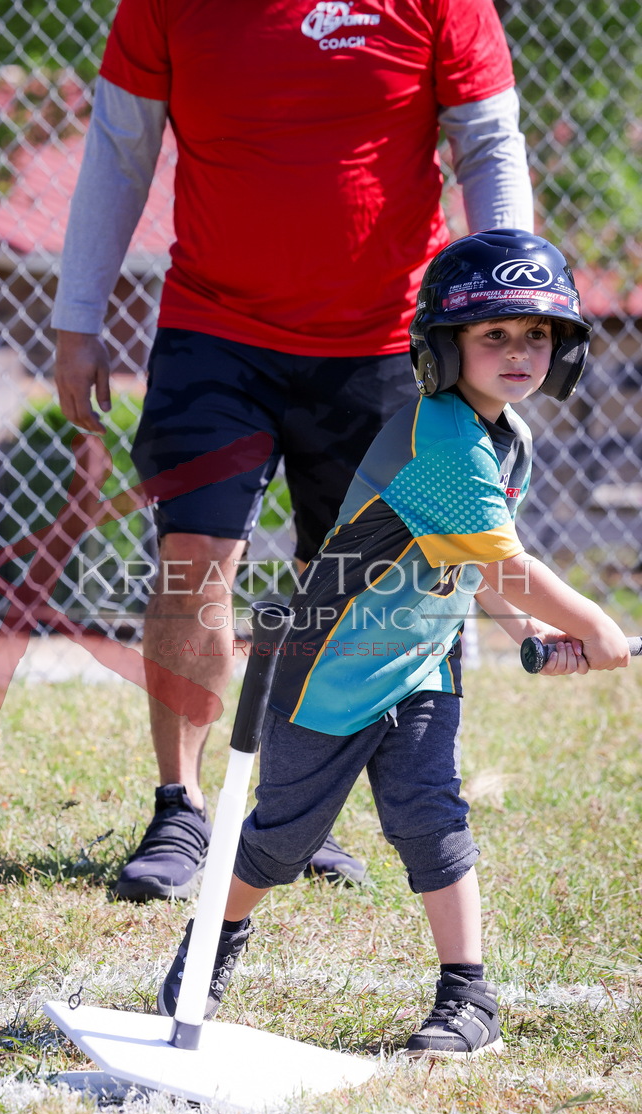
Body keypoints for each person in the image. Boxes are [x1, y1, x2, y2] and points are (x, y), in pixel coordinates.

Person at [52, 0, 535, 902]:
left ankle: (296, 812)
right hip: (214, 330)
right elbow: (120, 148)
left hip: (386, 336)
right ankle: (180, 808)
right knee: (193, 559)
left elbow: (488, 145)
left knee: (348, 585)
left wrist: (502, 308)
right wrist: (77, 319)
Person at [156, 229, 631, 1057]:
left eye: (537, 334)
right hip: (332, 665)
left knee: (431, 817)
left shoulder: (507, 437)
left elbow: (474, 564)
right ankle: (215, 939)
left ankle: (467, 995)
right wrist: (593, 626)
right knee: (282, 839)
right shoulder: (440, 436)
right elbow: (505, 563)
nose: (520, 351)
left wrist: (527, 631)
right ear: (444, 348)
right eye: (494, 334)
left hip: (423, 662)